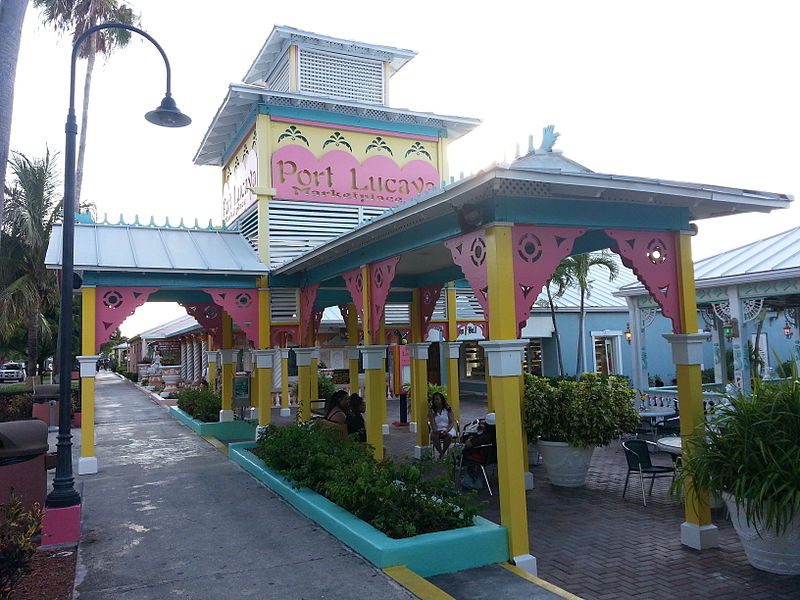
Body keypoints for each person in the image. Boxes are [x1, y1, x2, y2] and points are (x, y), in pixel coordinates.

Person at [460, 412, 497, 490]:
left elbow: (469, 443)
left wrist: (470, 437)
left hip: (483, 458)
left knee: (466, 453)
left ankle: (471, 479)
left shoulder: (485, 436)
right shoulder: (498, 434)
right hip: (494, 457)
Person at [427, 392, 455, 458]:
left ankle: (443, 452)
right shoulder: (432, 411)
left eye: (437, 399)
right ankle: (441, 453)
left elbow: (451, 422)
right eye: (434, 400)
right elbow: (432, 423)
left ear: (441, 400)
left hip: (448, 428)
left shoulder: (448, 409)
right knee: (434, 436)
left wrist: (447, 430)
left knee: (448, 436)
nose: (436, 401)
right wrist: (436, 431)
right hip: (437, 429)